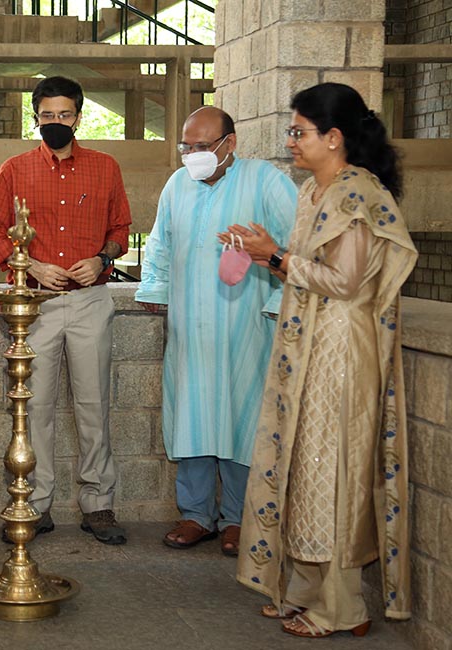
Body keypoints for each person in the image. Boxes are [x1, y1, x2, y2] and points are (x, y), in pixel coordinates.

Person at [232, 83, 415, 638]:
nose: (291, 141)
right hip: (308, 346)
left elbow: (346, 281)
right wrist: (269, 254)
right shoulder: (315, 189)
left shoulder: (356, 193)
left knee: (333, 475)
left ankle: (344, 609)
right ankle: (308, 590)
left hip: (342, 350)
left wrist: (278, 256)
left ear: (333, 138)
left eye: (299, 132)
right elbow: (307, 269)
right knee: (303, 468)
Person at [135, 107, 297, 556]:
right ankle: (195, 515)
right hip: (190, 328)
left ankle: (239, 519)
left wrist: (277, 304)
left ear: (230, 143)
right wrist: (156, 288)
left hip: (246, 327)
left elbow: (299, 244)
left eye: (203, 147)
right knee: (192, 416)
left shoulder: (264, 181)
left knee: (241, 419)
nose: (192, 155)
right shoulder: (177, 185)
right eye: (186, 146)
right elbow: (160, 242)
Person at [0, 76, 130, 545]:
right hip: (36, 306)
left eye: (64, 115)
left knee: (93, 406)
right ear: (36, 118)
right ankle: (35, 502)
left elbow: (121, 228)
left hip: (90, 301)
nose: (55, 123)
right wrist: (32, 266)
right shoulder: (14, 169)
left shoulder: (105, 168)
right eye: (46, 116)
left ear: (79, 117)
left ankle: (98, 504)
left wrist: (102, 259)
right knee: (34, 408)